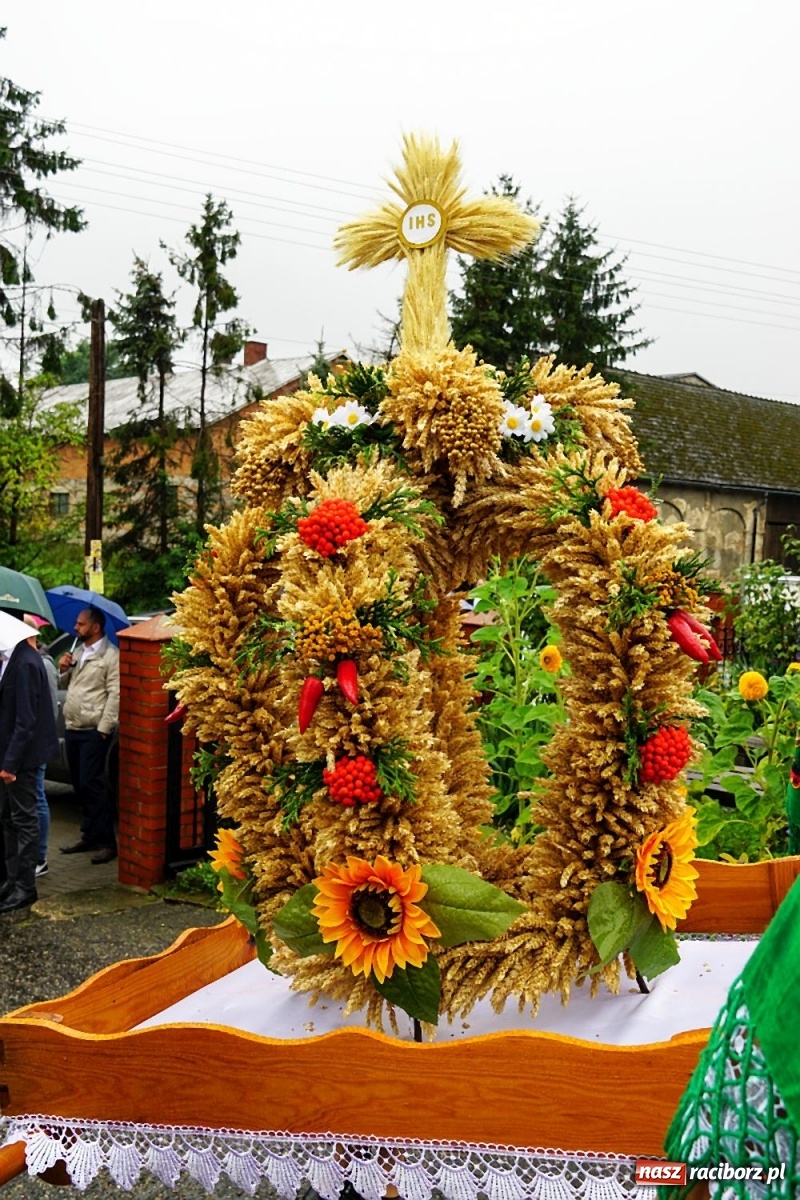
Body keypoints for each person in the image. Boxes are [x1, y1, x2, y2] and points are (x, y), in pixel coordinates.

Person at [0, 623, 59, 913]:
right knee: (8, 819)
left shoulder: (25, 661)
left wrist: (10, 764)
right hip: (10, 757)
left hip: (21, 760)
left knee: (24, 821)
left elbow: (26, 719)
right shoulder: (14, 659)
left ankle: (25, 887)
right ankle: (12, 881)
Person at [57, 606, 119, 864]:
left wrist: (104, 729)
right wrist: (63, 668)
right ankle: (89, 834)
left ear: (95, 627)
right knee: (79, 784)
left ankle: (107, 842)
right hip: (73, 726)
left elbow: (115, 694)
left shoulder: (110, 656)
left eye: (81, 624)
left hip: (94, 730)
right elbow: (65, 685)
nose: (76, 628)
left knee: (92, 784)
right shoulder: (79, 652)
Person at [22, 614, 58, 876]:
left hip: (35, 745)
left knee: (37, 797)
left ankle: (40, 857)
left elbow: (46, 708)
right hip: (27, 744)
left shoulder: (40, 663)